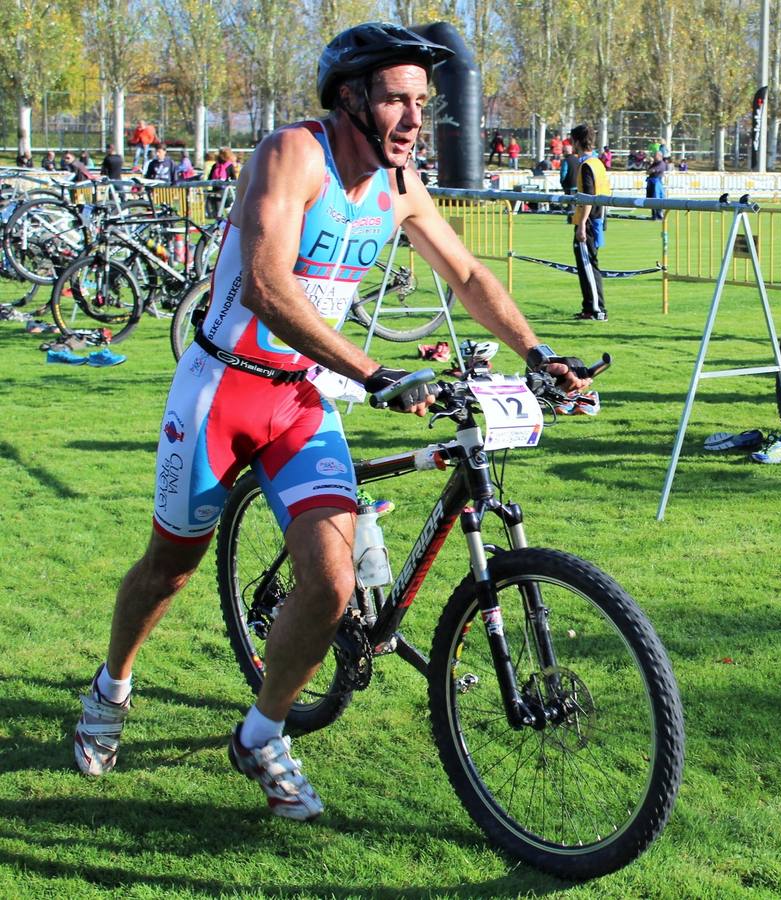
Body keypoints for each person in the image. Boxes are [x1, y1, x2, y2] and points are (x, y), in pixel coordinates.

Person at [71, 21, 590, 822]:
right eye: (397, 100)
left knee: (334, 579)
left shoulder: (400, 183)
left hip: (298, 398)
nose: (416, 119)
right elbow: (269, 291)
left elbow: (469, 273)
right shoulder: (291, 156)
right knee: (168, 568)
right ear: (350, 98)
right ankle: (111, 690)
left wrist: (536, 350)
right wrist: (377, 373)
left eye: (424, 101)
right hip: (221, 389)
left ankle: (263, 731)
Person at [569, 124, 609, 321]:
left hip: (589, 221)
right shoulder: (597, 162)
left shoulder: (586, 165)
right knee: (587, 266)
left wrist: (582, 224)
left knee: (588, 266)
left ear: (576, 141)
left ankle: (597, 309)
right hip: (597, 218)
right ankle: (589, 307)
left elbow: (588, 196)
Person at [645, 151, 667, 220]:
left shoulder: (661, 163)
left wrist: (650, 170)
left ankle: (659, 215)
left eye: (656, 155)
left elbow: (652, 171)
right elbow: (647, 171)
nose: (654, 156)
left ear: (660, 156)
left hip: (656, 182)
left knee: (656, 198)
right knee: (650, 198)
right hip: (651, 181)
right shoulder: (654, 163)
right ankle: (654, 215)